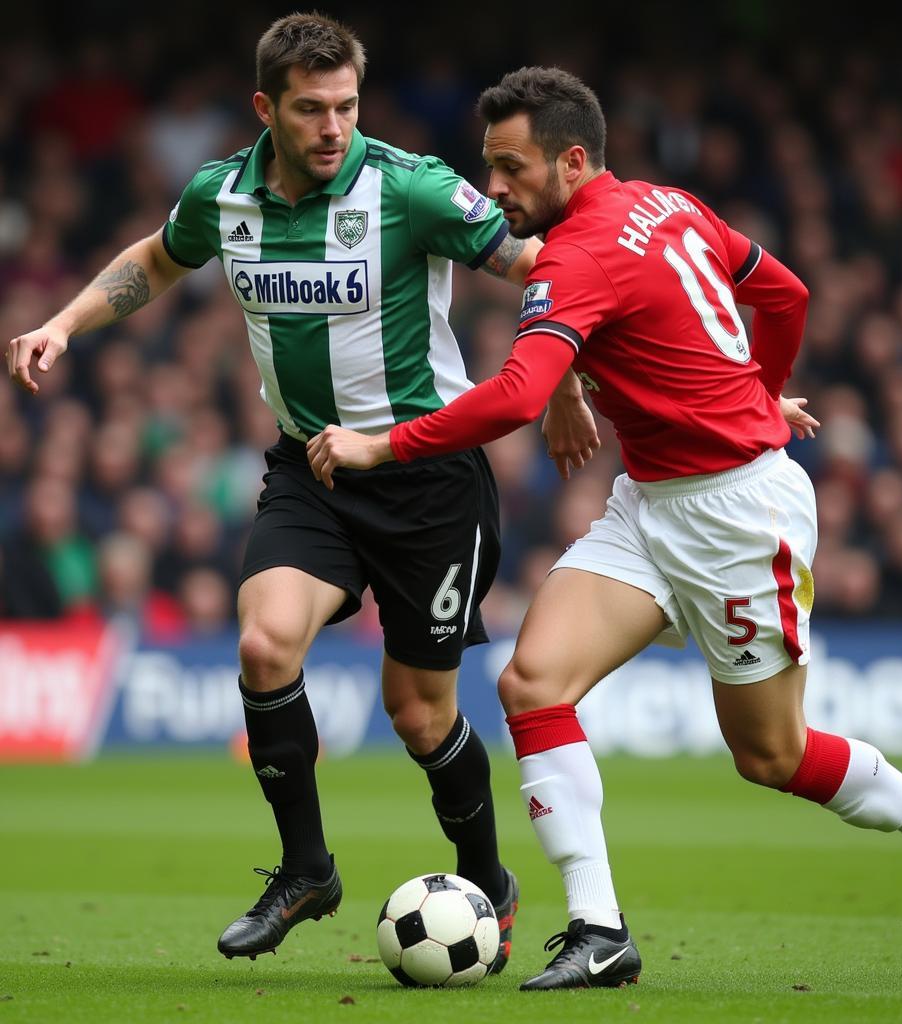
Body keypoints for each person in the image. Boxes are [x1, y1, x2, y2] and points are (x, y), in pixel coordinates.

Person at [307, 66, 902, 990]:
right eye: (489, 168)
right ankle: (598, 929)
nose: (494, 189)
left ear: (571, 160)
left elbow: (520, 392)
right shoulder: (668, 202)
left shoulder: (575, 257)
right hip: (651, 503)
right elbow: (788, 295)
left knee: (772, 753)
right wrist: (754, 391)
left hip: (737, 514)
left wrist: (382, 447)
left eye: (511, 169)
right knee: (531, 682)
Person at [7, 15, 546, 971]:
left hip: (425, 475)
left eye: (345, 105)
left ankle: (488, 882)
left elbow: (536, 265)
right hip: (313, 468)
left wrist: (574, 375)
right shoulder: (223, 196)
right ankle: (307, 869)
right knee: (263, 645)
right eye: (310, 109)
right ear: (267, 108)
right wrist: (63, 323)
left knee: (420, 716)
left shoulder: (411, 186)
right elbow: (154, 261)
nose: (334, 126)